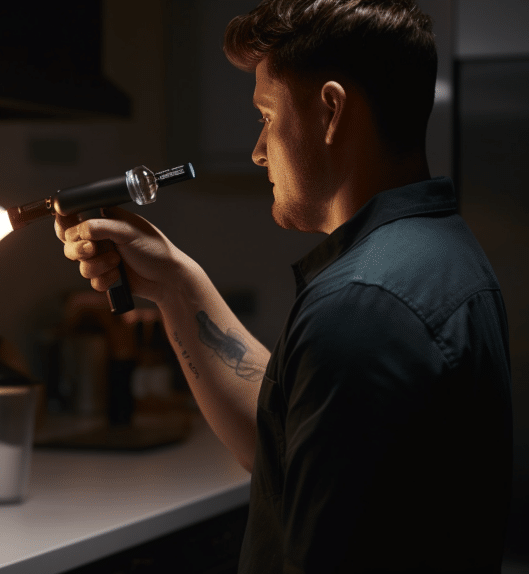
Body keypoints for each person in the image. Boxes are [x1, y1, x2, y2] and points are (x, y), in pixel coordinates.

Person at [55, 0, 513, 572]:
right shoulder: (437, 253)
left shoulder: (363, 306)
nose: (257, 150)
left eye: (266, 116)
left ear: (330, 111)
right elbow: (281, 443)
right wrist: (175, 283)